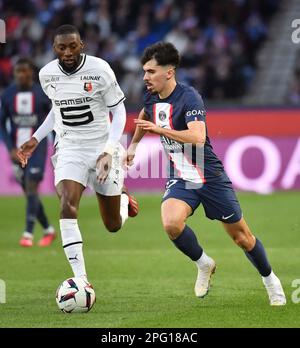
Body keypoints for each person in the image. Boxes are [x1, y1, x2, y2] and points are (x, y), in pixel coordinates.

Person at [124, 42, 286, 306]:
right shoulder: (150, 96)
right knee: (171, 223)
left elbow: (198, 138)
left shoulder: (189, 97)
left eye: (151, 72)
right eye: (144, 71)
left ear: (169, 72)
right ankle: (204, 264)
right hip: (181, 175)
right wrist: (133, 146)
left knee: (242, 238)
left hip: (208, 175)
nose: (145, 77)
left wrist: (160, 130)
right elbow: (144, 115)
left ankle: (270, 280)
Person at [17, 25, 138, 284]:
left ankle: (124, 202)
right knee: (66, 205)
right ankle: (82, 281)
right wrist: (36, 139)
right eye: (62, 47)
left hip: (101, 147)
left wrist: (108, 150)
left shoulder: (100, 69)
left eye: (73, 46)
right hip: (70, 147)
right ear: (54, 48)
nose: (68, 52)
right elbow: (56, 110)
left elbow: (119, 113)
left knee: (113, 224)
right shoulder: (46, 74)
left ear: (81, 45)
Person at [0, 57, 56, 247]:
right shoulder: (7, 95)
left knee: (31, 188)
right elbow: (2, 123)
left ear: (31, 73)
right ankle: (48, 230)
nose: (22, 75)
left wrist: (58, 143)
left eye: (25, 71)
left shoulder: (42, 94)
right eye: (18, 71)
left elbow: (54, 119)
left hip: (37, 150)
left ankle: (28, 234)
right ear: (14, 73)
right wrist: (10, 148)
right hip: (17, 151)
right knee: (29, 193)